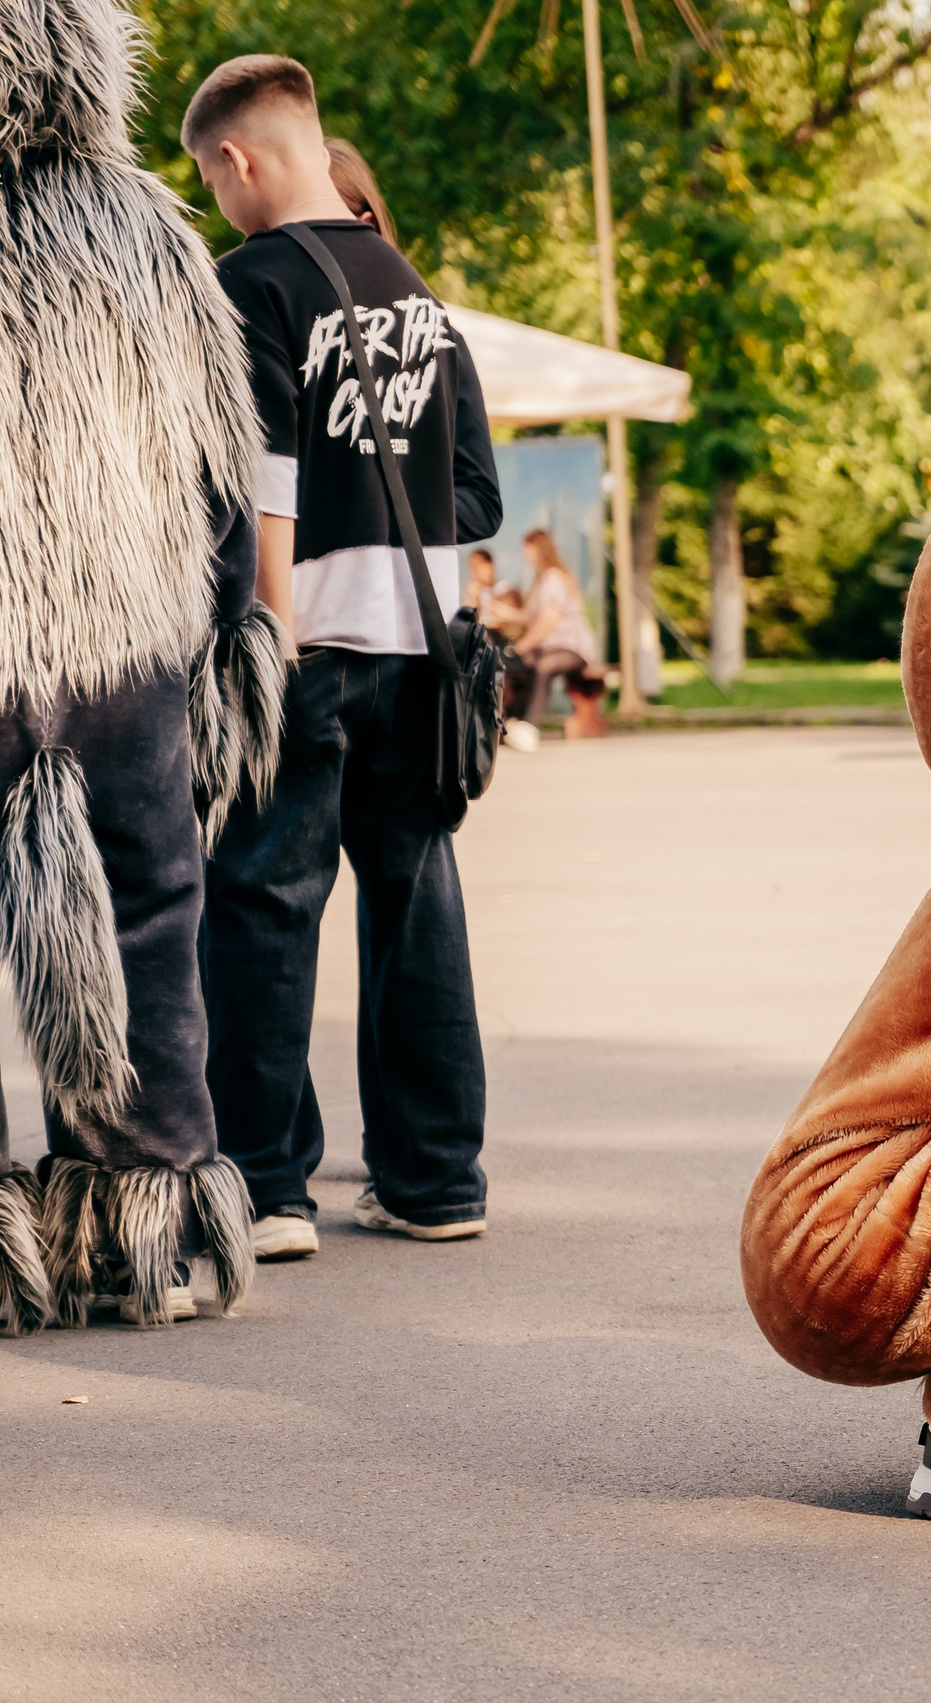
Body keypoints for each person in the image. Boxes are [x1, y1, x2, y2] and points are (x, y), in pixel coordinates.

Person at [185, 55, 503, 1259]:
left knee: (263, 906)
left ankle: (268, 1187)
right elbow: (475, 490)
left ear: (237, 160)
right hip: (425, 644)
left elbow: (264, 478)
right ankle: (435, 1178)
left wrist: (261, 642)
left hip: (305, 641)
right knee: (416, 906)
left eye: (208, 177)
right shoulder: (415, 291)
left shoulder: (246, 283)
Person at [0, 0, 280, 1335]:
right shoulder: (151, 235)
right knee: (150, 918)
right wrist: (229, 631)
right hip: (125, 647)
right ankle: (142, 1220)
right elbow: (222, 460)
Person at [508, 529, 601, 723]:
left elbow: (547, 623)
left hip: (573, 648)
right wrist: (504, 613)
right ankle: (511, 720)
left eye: (528, 549)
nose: (525, 553)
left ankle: (529, 726)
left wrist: (522, 645)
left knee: (543, 666)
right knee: (520, 664)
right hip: (551, 647)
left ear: (540, 550)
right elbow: (532, 617)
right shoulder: (540, 579)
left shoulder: (553, 578)